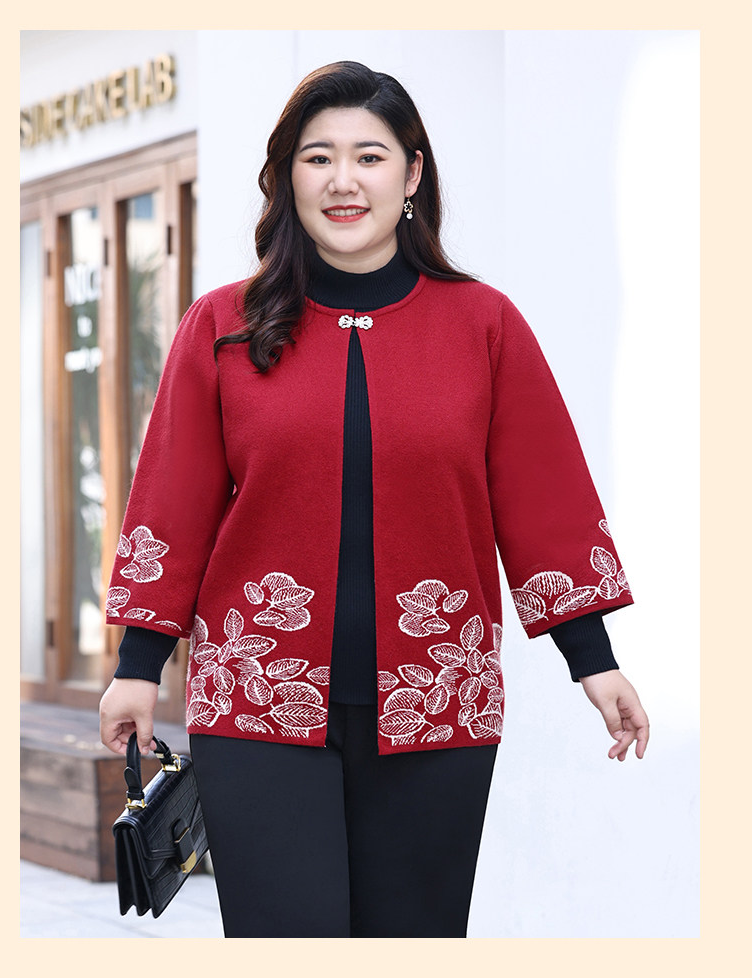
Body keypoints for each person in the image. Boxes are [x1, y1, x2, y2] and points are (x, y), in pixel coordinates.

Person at [99, 60, 649, 938]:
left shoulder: (485, 325)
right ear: (287, 178)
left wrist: (595, 660)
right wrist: (138, 666)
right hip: (255, 703)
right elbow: (173, 503)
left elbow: (541, 495)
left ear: (412, 173)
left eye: (369, 156)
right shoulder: (223, 327)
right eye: (318, 158)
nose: (343, 181)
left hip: (438, 704)